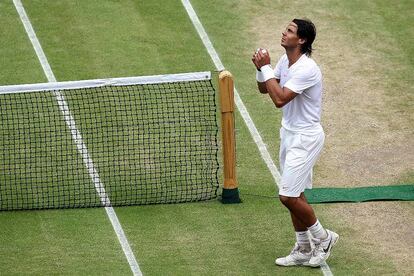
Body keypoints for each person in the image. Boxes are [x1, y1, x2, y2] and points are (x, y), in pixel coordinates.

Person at [251, 18, 339, 267]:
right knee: (295, 193)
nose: (283, 32)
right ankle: (302, 248)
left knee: (288, 196)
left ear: (301, 40)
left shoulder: (306, 68)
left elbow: (279, 99)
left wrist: (266, 68)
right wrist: (261, 69)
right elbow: (263, 88)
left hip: (306, 138)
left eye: (289, 31)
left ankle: (324, 238)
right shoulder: (284, 61)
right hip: (288, 134)